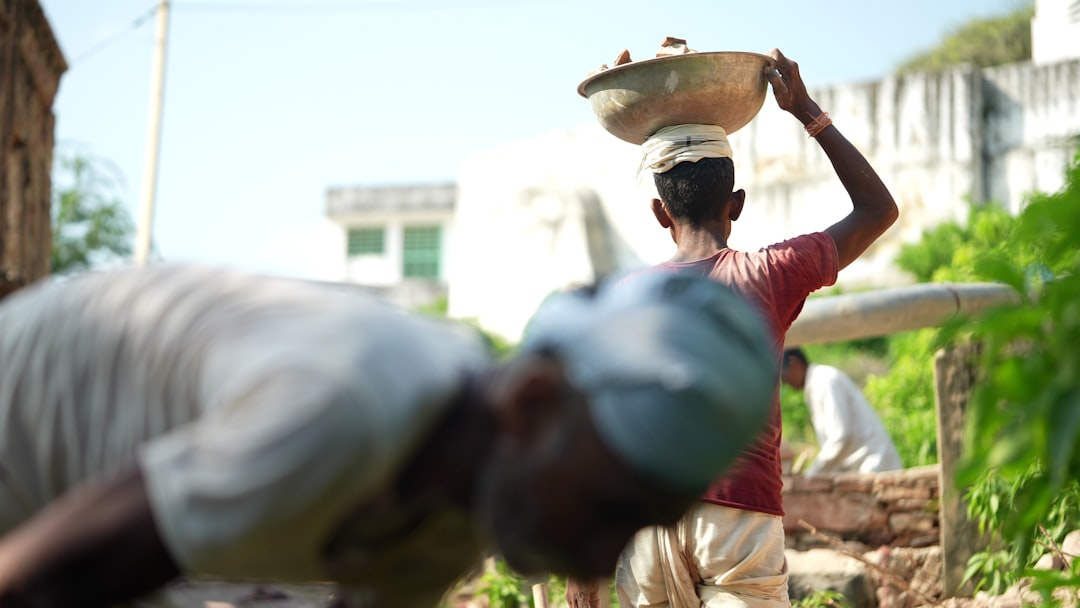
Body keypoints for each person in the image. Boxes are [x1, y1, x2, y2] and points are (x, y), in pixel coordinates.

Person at [0, 262, 779, 608]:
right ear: (534, 405)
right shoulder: (343, 408)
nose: (601, 566)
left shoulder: (456, 514)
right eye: (613, 512)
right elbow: (31, 579)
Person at [567, 48, 899, 608]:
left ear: (659, 212)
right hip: (737, 520)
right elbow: (877, 210)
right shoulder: (769, 274)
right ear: (737, 204)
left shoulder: (623, 299)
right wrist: (807, 112)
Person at [780, 348, 902, 476]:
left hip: (873, 462)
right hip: (860, 466)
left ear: (794, 363)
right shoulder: (814, 387)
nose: (787, 383)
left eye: (784, 377)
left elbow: (841, 436)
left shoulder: (825, 381)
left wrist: (813, 472)